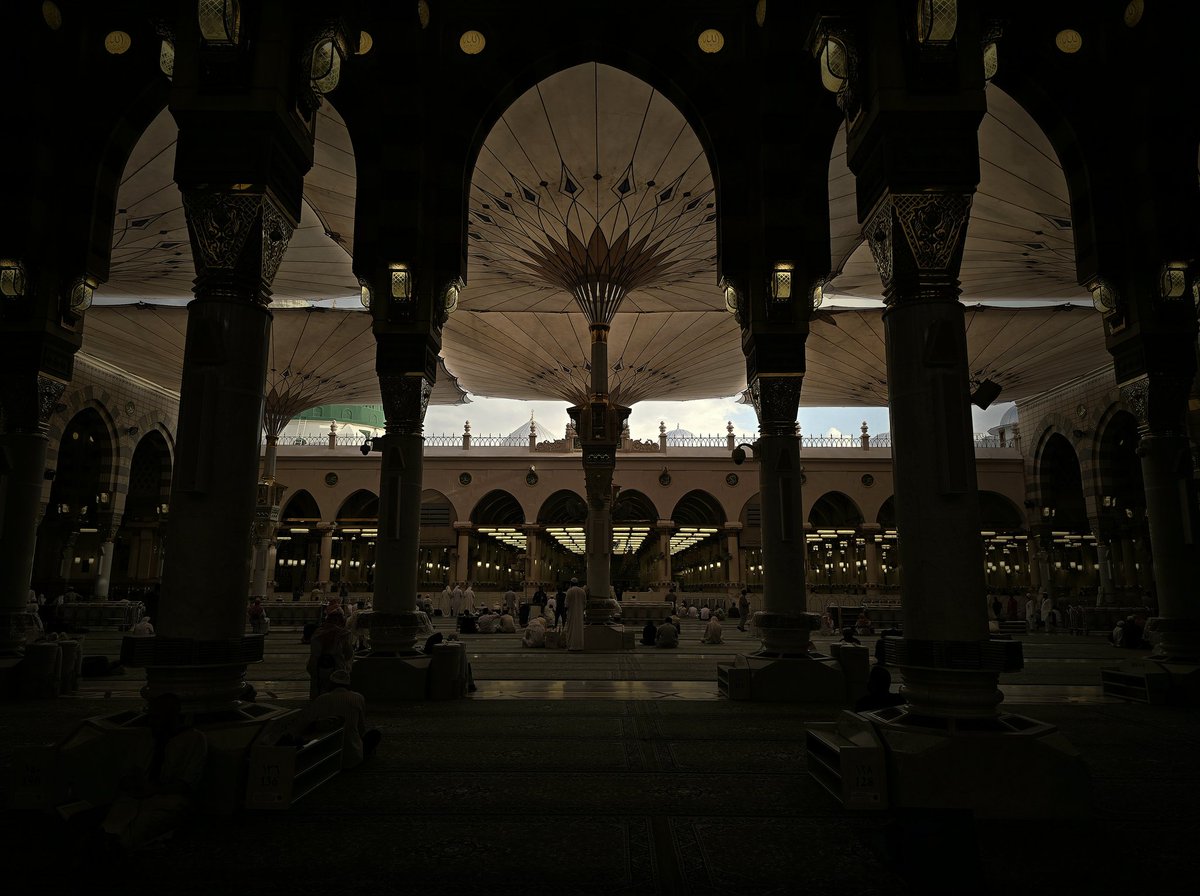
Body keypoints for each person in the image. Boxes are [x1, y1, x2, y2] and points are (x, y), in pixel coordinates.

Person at [98, 693, 207, 852]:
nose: (152, 722)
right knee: (114, 825)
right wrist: (133, 783)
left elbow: (187, 783)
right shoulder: (146, 737)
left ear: (171, 716)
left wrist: (154, 788)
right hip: (137, 797)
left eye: (157, 717)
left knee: (135, 829)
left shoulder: (194, 739)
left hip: (167, 800)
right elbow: (129, 770)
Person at [293, 670, 380, 768]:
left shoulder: (322, 699)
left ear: (331, 683)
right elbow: (361, 729)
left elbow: (304, 725)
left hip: (326, 756)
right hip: (353, 757)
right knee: (374, 735)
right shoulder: (358, 698)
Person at [306, 607, 354, 699]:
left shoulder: (318, 633)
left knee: (319, 688)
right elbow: (348, 654)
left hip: (317, 666)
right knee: (334, 691)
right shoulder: (343, 634)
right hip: (336, 666)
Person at [563, 577, 587, 651]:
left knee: (571, 630)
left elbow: (566, 605)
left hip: (571, 615)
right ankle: (579, 646)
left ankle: (571, 646)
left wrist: (565, 614)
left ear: (571, 583)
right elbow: (585, 605)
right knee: (579, 630)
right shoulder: (582, 591)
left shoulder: (569, 591)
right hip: (580, 615)